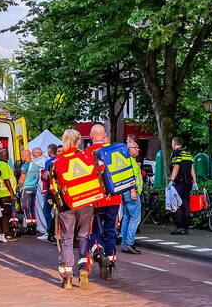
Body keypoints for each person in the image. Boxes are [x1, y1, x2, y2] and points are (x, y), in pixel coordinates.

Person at [51, 129, 95, 289]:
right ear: (77, 142)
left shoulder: (58, 161)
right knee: (84, 236)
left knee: (67, 239)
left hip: (68, 205)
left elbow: (53, 186)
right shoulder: (86, 156)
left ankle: (67, 276)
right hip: (87, 201)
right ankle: (83, 268)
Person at [84, 123, 122, 278]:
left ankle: (99, 255)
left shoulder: (87, 153)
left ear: (92, 137)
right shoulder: (114, 151)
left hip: (96, 199)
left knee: (94, 229)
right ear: (105, 135)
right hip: (114, 197)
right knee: (110, 229)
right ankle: (111, 259)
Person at [120, 139, 144, 255]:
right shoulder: (131, 162)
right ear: (129, 150)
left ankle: (124, 243)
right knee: (135, 218)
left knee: (126, 218)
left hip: (125, 193)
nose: (137, 149)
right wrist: (133, 191)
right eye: (135, 147)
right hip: (132, 193)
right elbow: (130, 178)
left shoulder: (125, 161)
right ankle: (130, 243)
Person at [168, 137, 196, 235]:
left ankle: (180, 227)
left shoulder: (176, 153)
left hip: (180, 183)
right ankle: (186, 227)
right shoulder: (188, 154)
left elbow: (176, 167)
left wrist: (171, 180)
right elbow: (192, 168)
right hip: (188, 183)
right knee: (186, 204)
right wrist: (195, 181)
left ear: (174, 144)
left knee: (177, 204)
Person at [0, 147, 17, 243]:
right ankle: (6, 234)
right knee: (6, 215)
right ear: (6, 156)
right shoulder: (4, 165)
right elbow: (6, 180)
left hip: (0, 193)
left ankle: (2, 233)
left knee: (3, 214)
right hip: (5, 194)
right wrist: (12, 193)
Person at [19, 147, 42, 234]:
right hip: (34, 188)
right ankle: (34, 225)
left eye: (22, 155)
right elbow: (37, 178)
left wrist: (18, 187)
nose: (21, 157)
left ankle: (29, 227)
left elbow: (22, 179)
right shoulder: (35, 165)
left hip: (26, 188)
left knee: (26, 208)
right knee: (32, 208)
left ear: (26, 156)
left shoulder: (25, 166)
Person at [39, 144, 59, 242]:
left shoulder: (48, 162)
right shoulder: (62, 159)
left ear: (50, 151)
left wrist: (42, 176)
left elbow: (47, 177)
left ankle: (50, 231)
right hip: (61, 190)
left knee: (46, 211)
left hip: (50, 190)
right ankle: (55, 232)